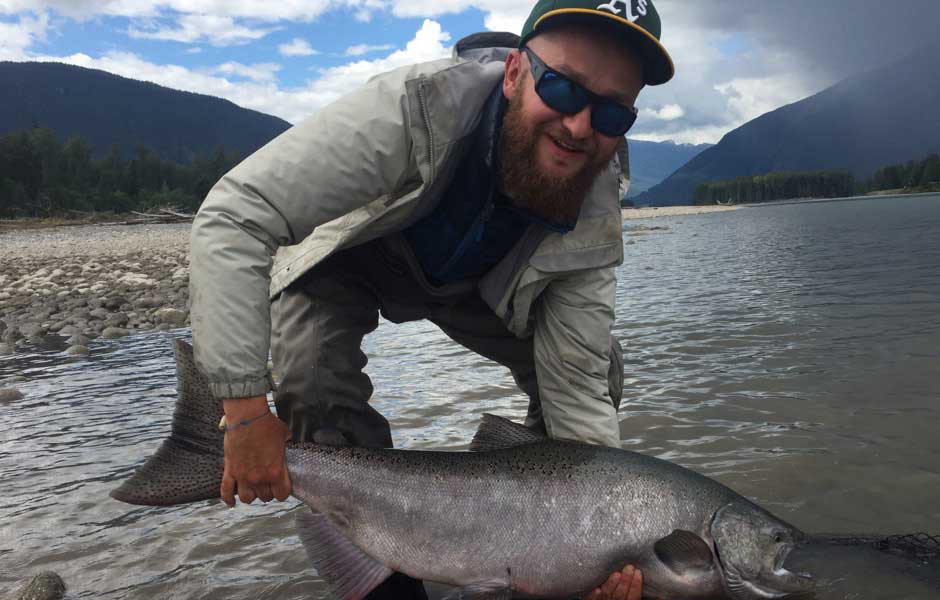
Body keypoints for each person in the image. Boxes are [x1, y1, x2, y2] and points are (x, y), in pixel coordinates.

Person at [189, 0, 674, 598]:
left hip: (471, 286)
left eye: (610, 113)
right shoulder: (417, 106)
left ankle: (524, 554)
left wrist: (594, 549)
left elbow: (577, 386)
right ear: (517, 72)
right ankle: (383, 581)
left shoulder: (595, 200)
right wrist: (243, 412)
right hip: (350, 258)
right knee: (313, 383)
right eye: (565, 90)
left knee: (602, 369)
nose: (580, 127)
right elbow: (234, 215)